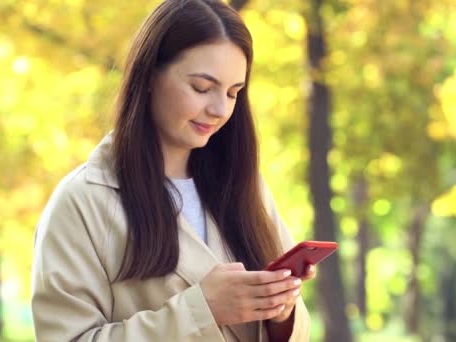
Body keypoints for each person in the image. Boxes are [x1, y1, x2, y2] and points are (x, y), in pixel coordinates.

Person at [31, 0, 314, 340]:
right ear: (150, 74)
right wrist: (201, 310)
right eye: (202, 88)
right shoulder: (82, 201)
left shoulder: (244, 185)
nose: (219, 109)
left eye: (233, 93)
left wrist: (280, 312)